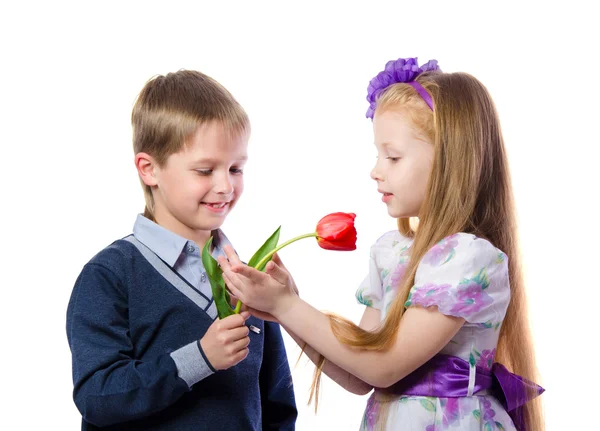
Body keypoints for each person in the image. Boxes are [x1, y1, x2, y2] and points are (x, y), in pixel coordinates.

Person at [219, 58, 544, 430]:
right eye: (378, 155)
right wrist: (282, 310)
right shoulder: (392, 252)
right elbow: (360, 376)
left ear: (448, 163)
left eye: (393, 156)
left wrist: (286, 305)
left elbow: (385, 367)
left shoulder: (468, 258)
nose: (376, 170)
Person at [66, 70, 297, 430]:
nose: (225, 186)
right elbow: (97, 396)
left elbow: (278, 404)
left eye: (236, 168)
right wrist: (200, 359)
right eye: (204, 170)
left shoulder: (249, 278)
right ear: (149, 169)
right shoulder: (110, 275)